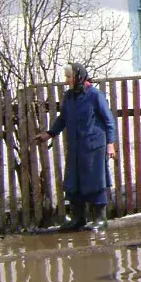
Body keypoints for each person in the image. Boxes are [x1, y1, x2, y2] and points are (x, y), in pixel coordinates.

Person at [33, 62, 117, 232]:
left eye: (69, 77)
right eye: (66, 77)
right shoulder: (69, 97)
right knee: (74, 181)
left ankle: (101, 219)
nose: (66, 81)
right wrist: (49, 133)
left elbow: (109, 121)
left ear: (78, 76)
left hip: (94, 146)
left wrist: (110, 144)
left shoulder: (95, 95)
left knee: (96, 180)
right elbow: (63, 118)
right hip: (76, 146)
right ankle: (78, 219)